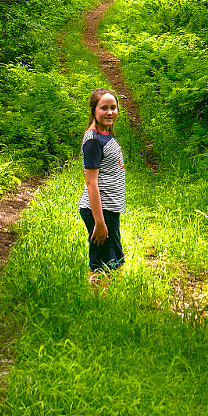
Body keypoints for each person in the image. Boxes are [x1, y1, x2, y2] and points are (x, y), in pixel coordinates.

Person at [78, 88, 126, 282]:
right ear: (93, 110)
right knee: (102, 263)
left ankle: (108, 301)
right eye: (104, 108)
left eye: (113, 108)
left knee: (115, 261)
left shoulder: (106, 134)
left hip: (110, 209)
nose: (109, 112)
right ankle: (97, 302)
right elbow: (91, 182)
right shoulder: (93, 140)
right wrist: (99, 222)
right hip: (99, 210)